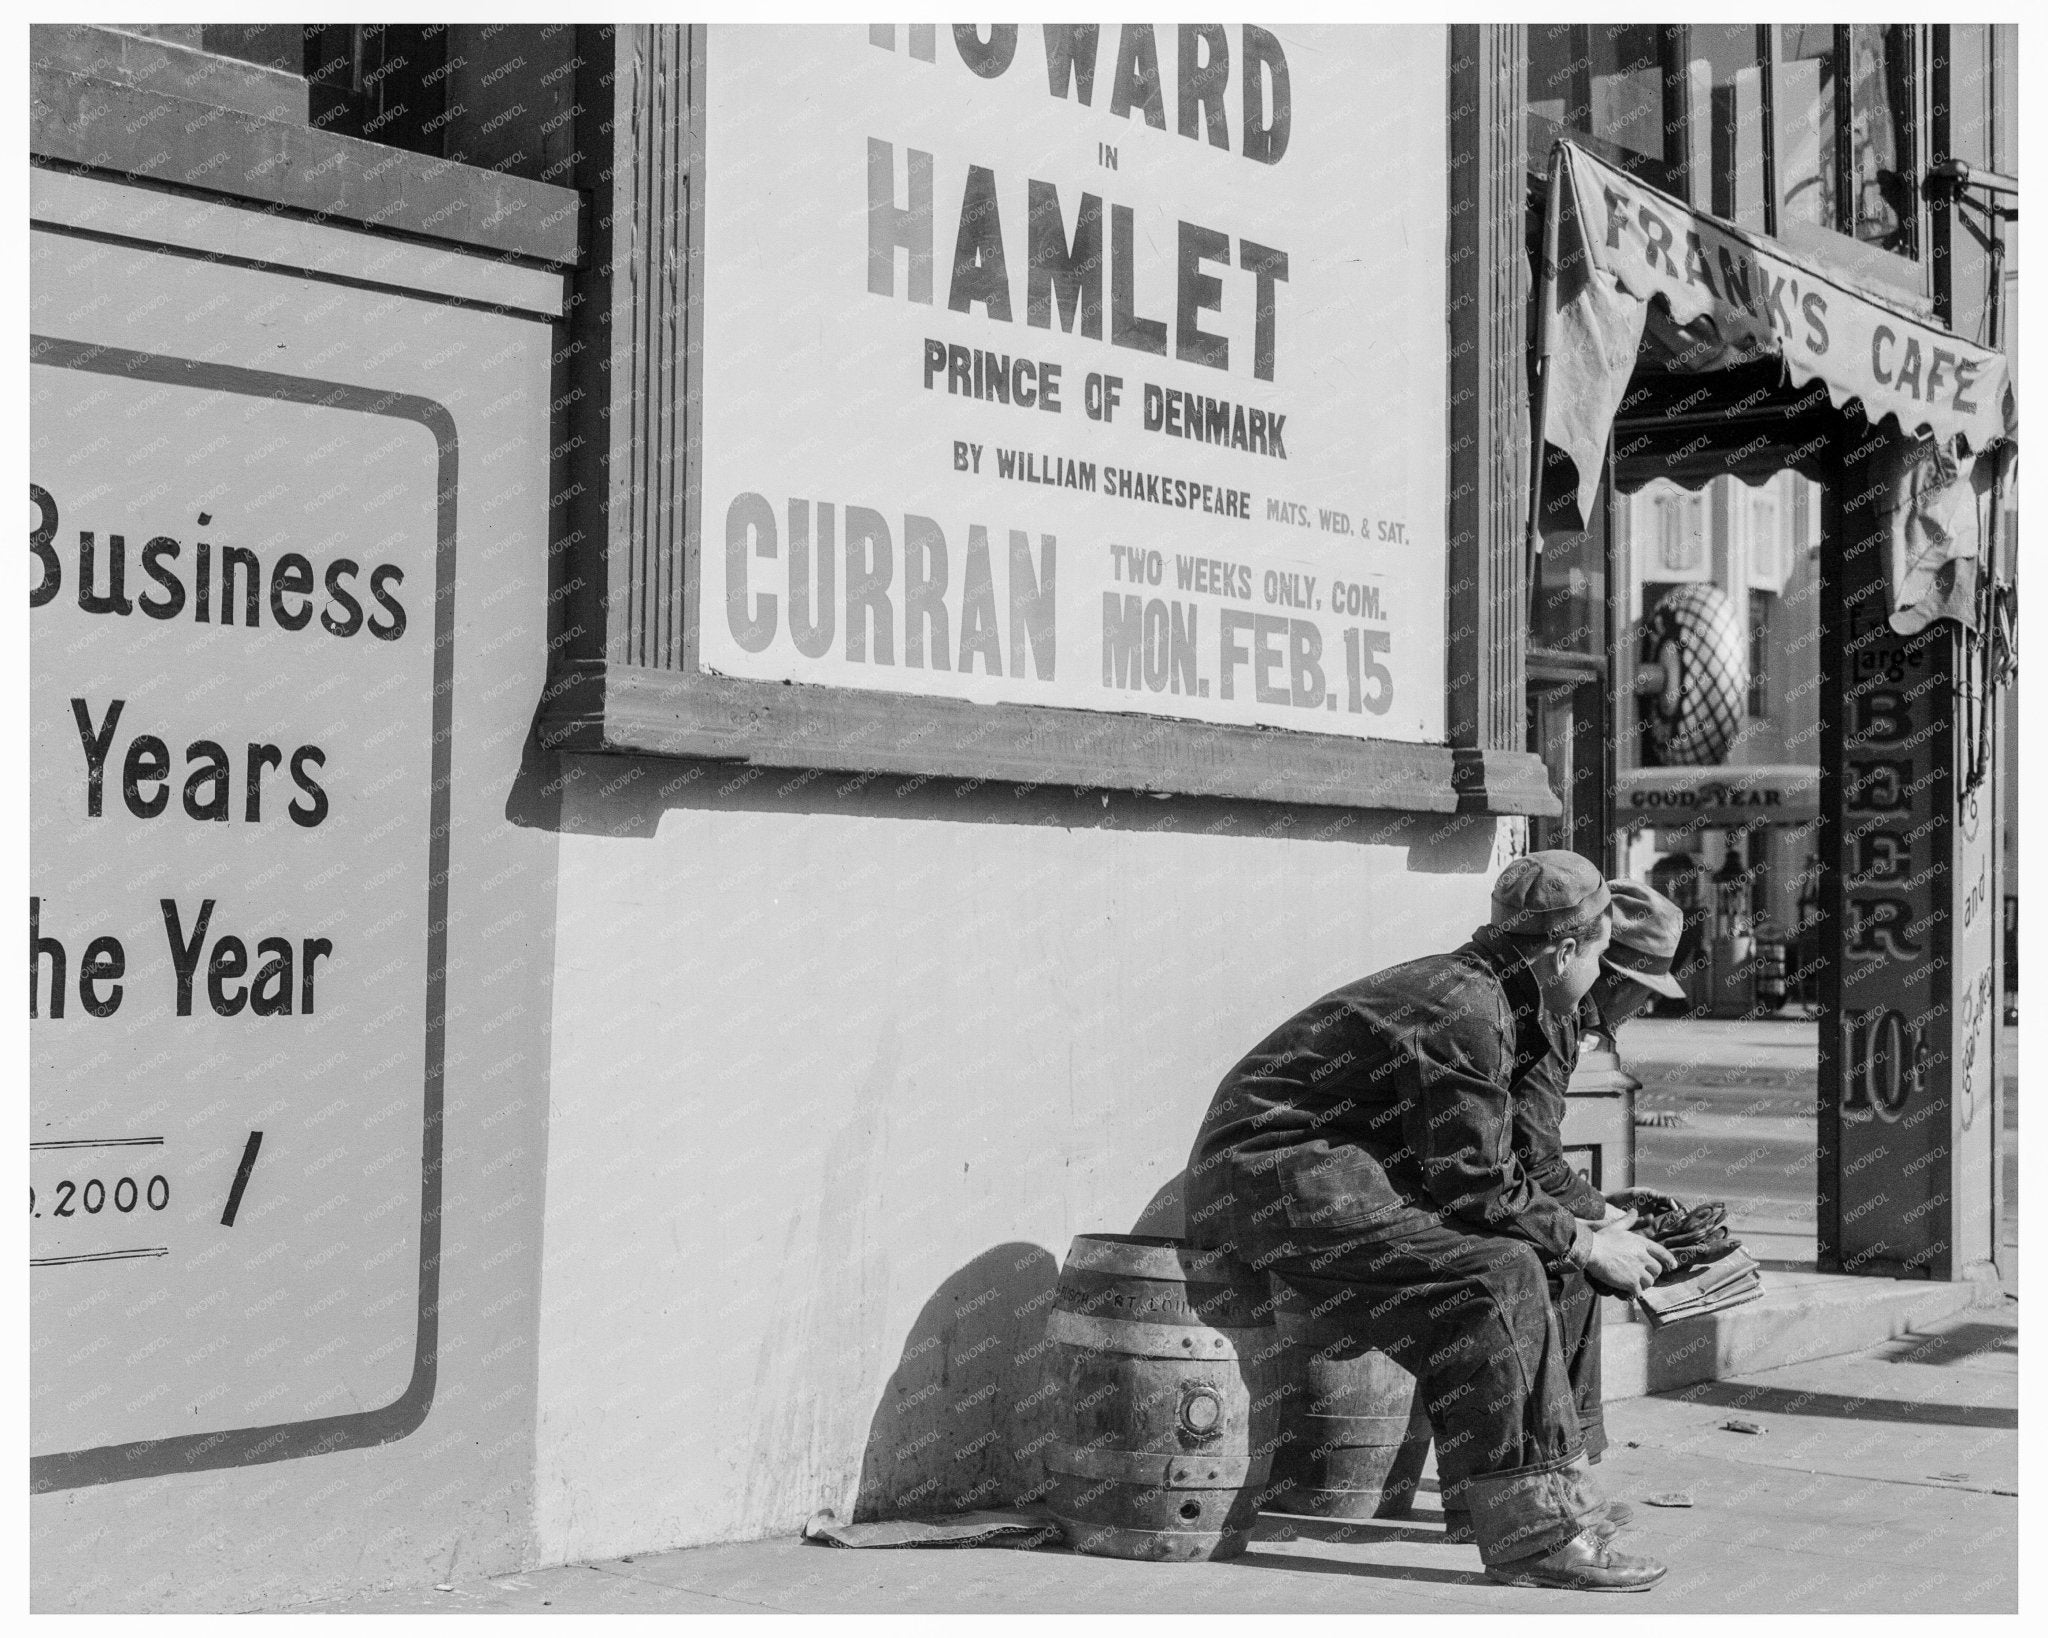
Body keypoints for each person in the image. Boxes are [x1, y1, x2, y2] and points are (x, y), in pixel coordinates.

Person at [1183, 851, 1677, 1591]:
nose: (1603, 978)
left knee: (1546, 1266)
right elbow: (1474, 1181)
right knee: (1499, 1274)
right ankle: (1539, 1538)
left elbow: (1503, 1168)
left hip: (1333, 1175)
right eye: (1605, 953)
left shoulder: (1504, 998)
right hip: (1278, 1180)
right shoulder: (1468, 1009)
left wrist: (1594, 1234)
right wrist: (1584, 1236)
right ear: (1568, 949)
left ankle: (1530, 1502)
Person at [1469, 878, 1691, 1541]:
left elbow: (1531, 1159)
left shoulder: (1559, 1015)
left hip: (1475, 1187)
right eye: (1640, 987)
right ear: (1599, 968)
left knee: (1575, 1261)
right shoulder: (1552, 1020)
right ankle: (1557, 1474)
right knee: (1568, 1273)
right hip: (1450, 1198)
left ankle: (1563, 1468)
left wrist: (1603, 1210)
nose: (1646, 1004)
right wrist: (1600, 1225)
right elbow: (1533, 1163)